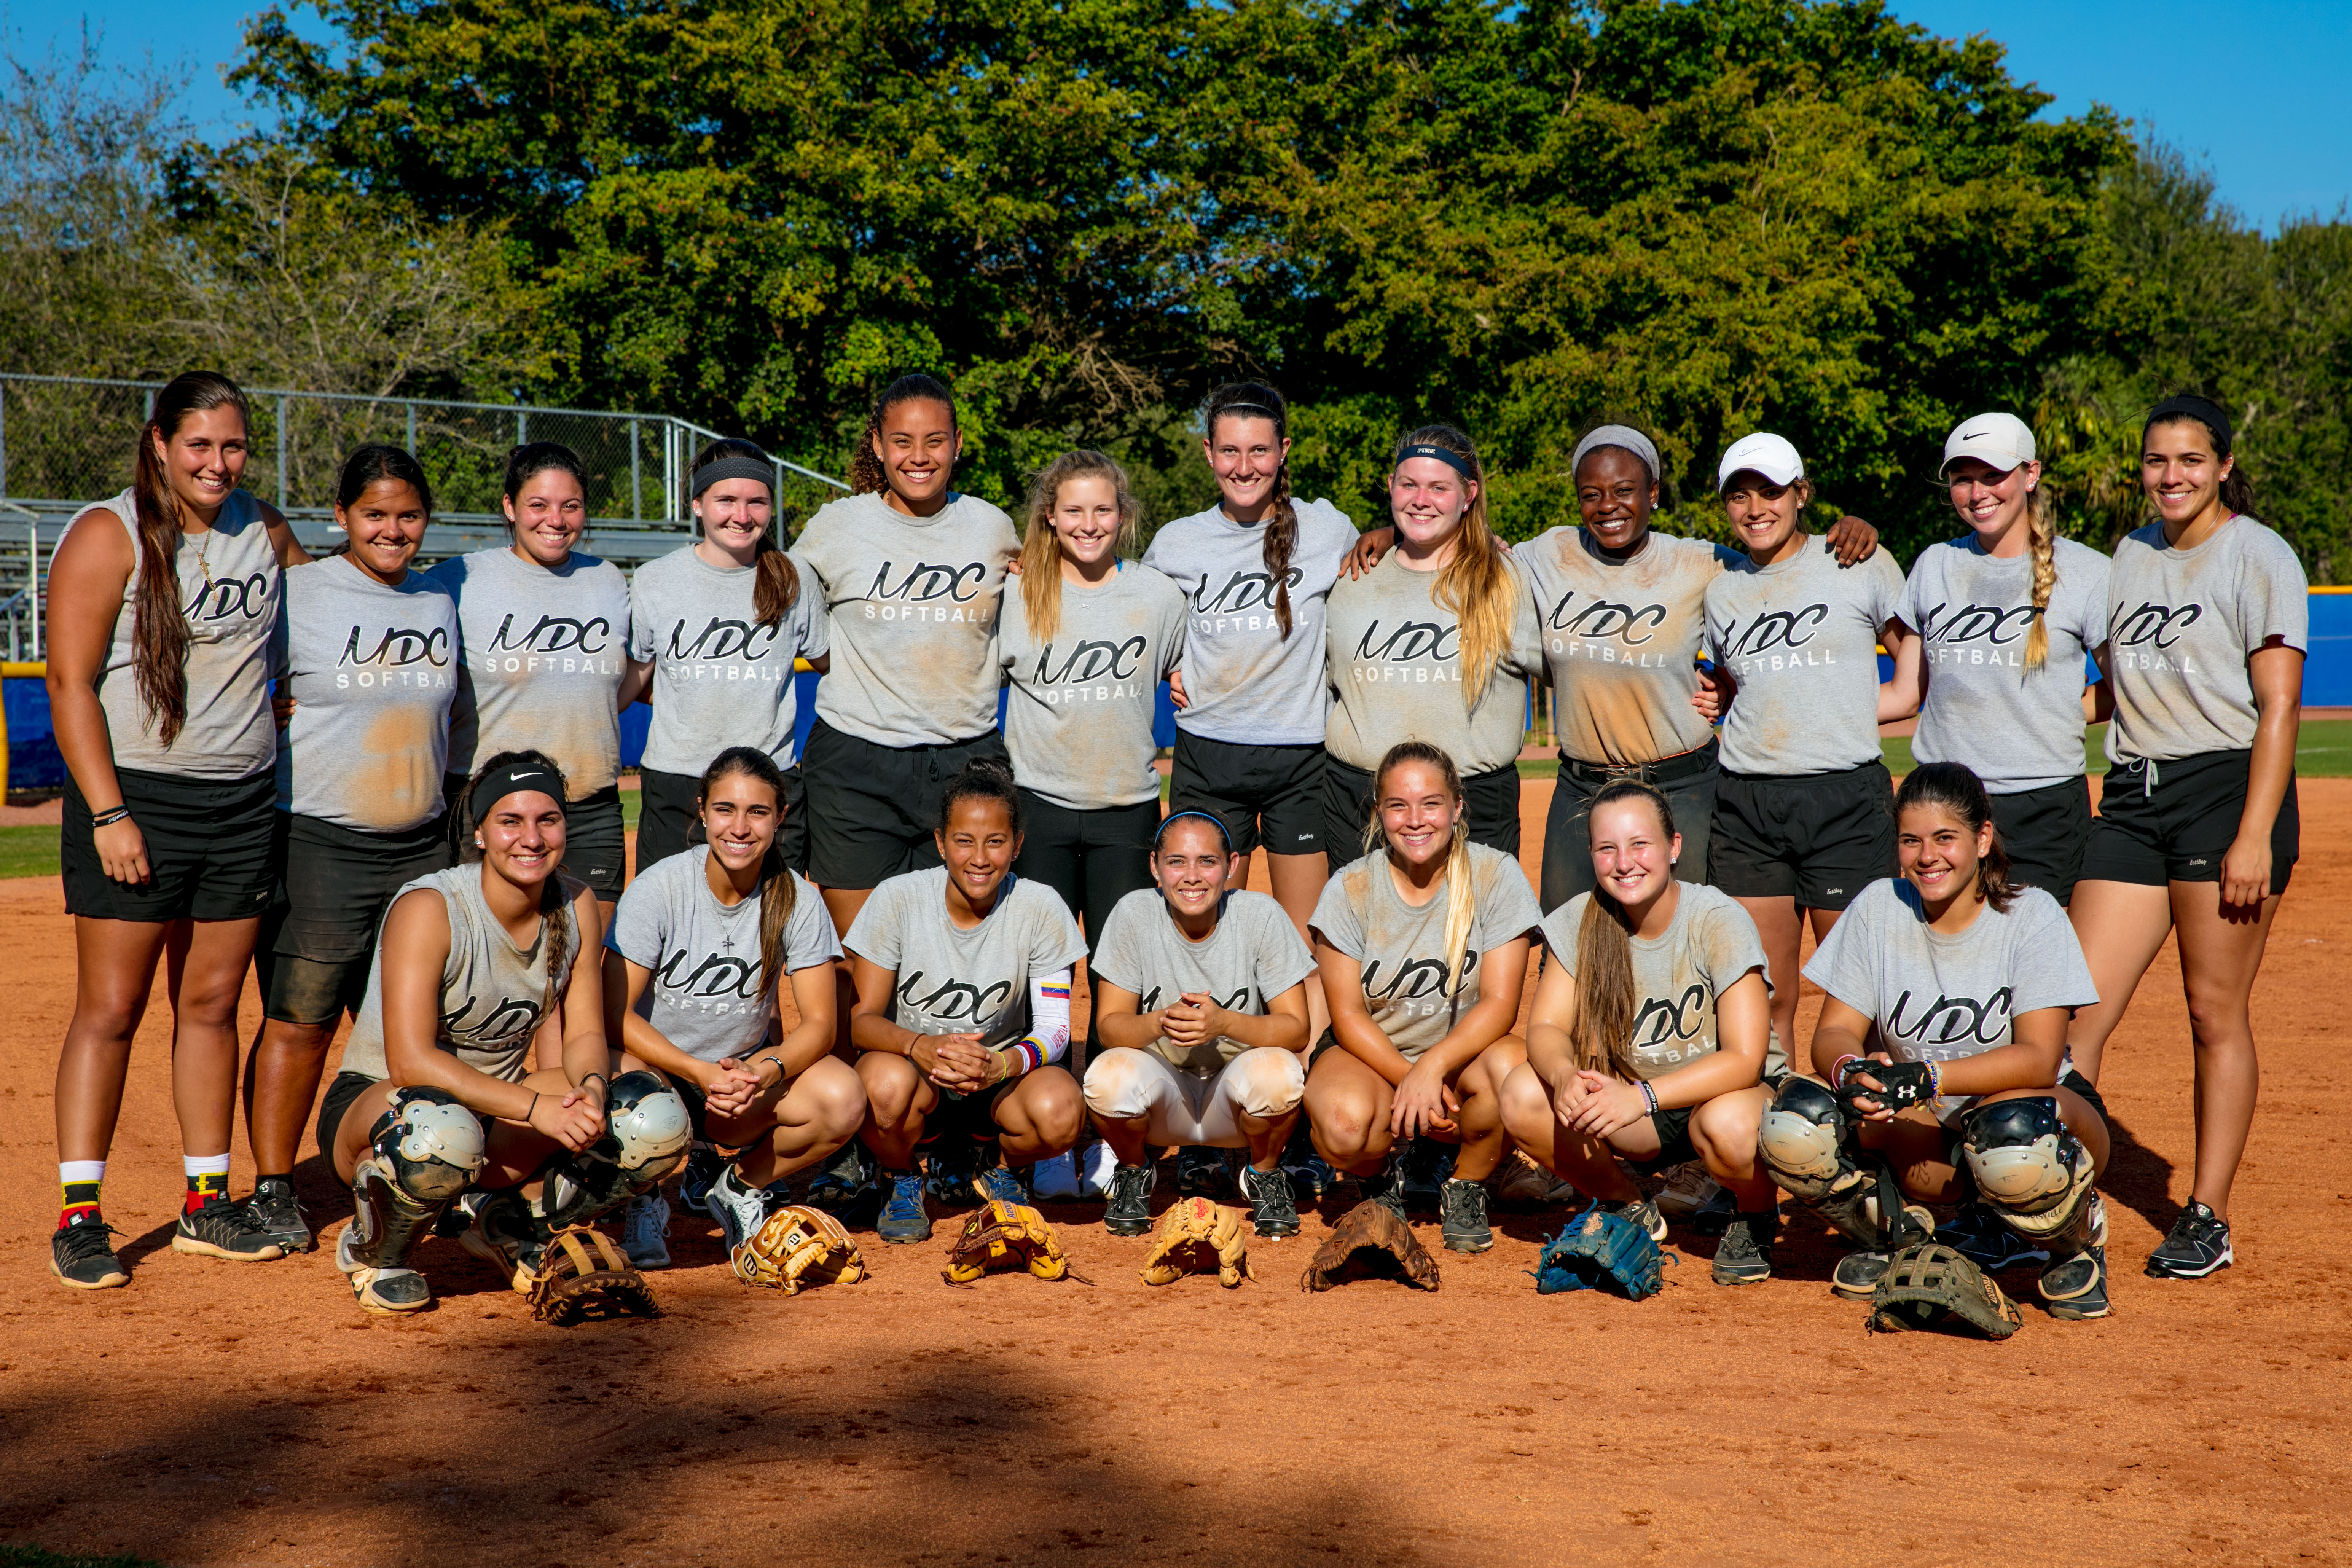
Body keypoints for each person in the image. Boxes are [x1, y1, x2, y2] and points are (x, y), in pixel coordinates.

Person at [46, 370, 310, 1290]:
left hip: (241, 803)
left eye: (233, 446)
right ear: (159, 441)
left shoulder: (265, 530)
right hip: (138, 801)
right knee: (111, 1010)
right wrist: (110, 812)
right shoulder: (105, 532)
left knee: (209, 1005)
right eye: (199, 445)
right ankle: (81, 1215)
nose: (218, 463)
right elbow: (70, 683)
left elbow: (331, 614)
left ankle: (207, 1202)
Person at [2063, 393, 2304, 1281]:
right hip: (2132, 792)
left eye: (2189, 460)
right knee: (2069, 1014)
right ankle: (2050, 1198)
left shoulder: (2256, 555)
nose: (2171, 476)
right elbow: (2112, 692)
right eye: (2156, 461)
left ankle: (2204, 1213)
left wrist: (2251, 833)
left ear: (2222, 465)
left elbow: (2277, 705)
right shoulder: (2127, 554)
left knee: (2211, 1011)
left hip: (2222, 788)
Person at [318, 752, 690, 1313]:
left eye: (548, 820)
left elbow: (586, 1030)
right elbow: (412, 1064)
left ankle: (508, 1219)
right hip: (392, 1113)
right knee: (440, 1129)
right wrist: (539, 1109)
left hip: (498, 1117)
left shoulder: (576, 902)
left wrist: (590, 1087)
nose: (532, 838)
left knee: (649, 1114)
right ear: (481, 834)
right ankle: (377, 1253)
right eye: (511, 821)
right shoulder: (431, 906)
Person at [1758, 762, 2114, 1320]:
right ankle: (1891, 1235)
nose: (1928, 857)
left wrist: (1928, 1076)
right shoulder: (1881, 907)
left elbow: (2040, 1060)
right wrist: (1852, 1070)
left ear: (1983, 839)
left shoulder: (2031, 915)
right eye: (1911, 840)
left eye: (1946, 838)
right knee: (1797, 1119)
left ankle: (2075, 1239)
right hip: (1934, 1128)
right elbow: (1832, 1032)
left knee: (2011, 1133)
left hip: (2040, 1119)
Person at [240, 445, 457, 1255]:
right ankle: (271, 1187)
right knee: (298, 1020)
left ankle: (400, 1167)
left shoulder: (441, 598)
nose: (392, 529)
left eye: (407, 515)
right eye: (374, 514)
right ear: (341, 517)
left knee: (406, 1024)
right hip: (320, 838)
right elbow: (232, 679)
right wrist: (274, 708)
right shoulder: (298, 594)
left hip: (422, 843)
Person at [1500, 781, 1782, 1285]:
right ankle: (1628, 1202)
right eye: (1607, 848)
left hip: (1718, 1096)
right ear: (1591, 854)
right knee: (1524, 1092)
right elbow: (1544, 1026)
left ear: (1674, 847)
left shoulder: (1715, 917)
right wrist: (1564, 1076)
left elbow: (1745, 1058)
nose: (1624, 862)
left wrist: (1644, 1097)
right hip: (1634, 1111)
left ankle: (1755, 1213)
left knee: (1731, 1127)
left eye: (1640, 844)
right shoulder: (1580, 921)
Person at [1142, 382, 1358, 1026]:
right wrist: (1170, 665)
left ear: (1283, 450)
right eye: (1230, 451)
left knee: (1303, 941)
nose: (1245, 466)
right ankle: (1200, 1077)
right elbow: (1134, 617)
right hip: (1210, 758)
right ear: (1208, 454)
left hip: (1301, 759)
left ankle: (1306, 1083)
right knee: (1203, 926)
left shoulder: (1327, 529)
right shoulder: (1178, 542)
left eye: (1260, 451)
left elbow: (1393, 550)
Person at [603, 747, 863, 1265]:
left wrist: (764, 1072)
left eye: (758, 812)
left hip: (738, 1087)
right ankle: (646, 1201)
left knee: (843, 1097)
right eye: (725, 809)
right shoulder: (660, 888)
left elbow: (820, 1025)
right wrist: (696, 1072)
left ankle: (739, 1187)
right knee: (611, 1087)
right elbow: (615, 1016)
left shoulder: (796, 898)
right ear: (702, 810)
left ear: (781, 818)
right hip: (663, 1074)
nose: (740, 828)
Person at [792, 374, 1020, 945]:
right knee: (864, 953)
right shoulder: (836, 527)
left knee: (967, 945)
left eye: (936, 441)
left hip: (970, 758)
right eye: (902, 441)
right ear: (877, 444)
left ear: (959, 443)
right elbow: (777, 603)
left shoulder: (992, 527)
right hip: (856, 763)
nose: (919, 457)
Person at [1702, 432, 1907, 1060]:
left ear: (1802, 495)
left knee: (1862, 995)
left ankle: (1876, 1137)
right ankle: (1782, 1137)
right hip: (1746, 804)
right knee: (1764, 997)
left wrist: (1845, 715)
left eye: (1770, 491)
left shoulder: (1858, 561)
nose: (1755, 507)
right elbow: (1743, 691)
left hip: (1844, 800)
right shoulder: (1722, 589)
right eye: (1739, 495)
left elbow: (1916, 668)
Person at [1304, 741, 1543, 1254]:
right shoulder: (1351, 887)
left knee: (1513, 1076)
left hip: (1460, 1060)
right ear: (1379, 813)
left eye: (1431, 804)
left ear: (1457, 808)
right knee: (1344, 1128)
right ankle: (1381, 1176)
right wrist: (1410, 1080)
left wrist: (1431, 1072)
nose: (1416, 820)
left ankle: (1465, 1185)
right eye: (1398, 806)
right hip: (1370, 1056)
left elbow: (1501, 1004)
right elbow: (1346, 1015)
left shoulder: (1495, 875)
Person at [842, 760, 1090, 1243]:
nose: (980, 858)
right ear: (940, 843)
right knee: (880, 1087)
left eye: (996, 841)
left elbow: (1057, 1030)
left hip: (998, 1084)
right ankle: (902, 1176)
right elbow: (862, 1022)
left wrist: (1001, 1064)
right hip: (918, 1077)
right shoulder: (899, 898)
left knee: (1060, 1109)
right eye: (964, 841)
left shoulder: (1040, 907)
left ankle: (998, 1168)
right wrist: (920, 1046)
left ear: (1017, 845)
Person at [1882, 413, 2111, 903]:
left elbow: (2127, 690)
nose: (1978, 492)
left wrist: (2057, 714)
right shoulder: (1935, 564)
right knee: (1943, 963)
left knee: (2031, 967)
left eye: (1993, 475)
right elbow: (1906, 691)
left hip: (2041, 807)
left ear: (2031, 474)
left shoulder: (2089, 572)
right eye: (1963, 479)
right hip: (1941, 805)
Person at [432, 443, 642, 921]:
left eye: (571, 506)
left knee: (585, 965)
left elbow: (624, 676)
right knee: (491, 966)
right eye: (538, 505)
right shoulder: (458, 579)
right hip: (490, 807)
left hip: (589, 808)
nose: (557, 519)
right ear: (510, 507)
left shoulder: (607, 580)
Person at [1083, 811, 1317, 1238]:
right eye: (1177, 862)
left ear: (1232, 866)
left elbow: (1297, 1028)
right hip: (1163, 1098)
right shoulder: (1134, 913)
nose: (1192, 876)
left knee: (1280, 1074)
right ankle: (1136, 1170)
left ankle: (1263, 1173)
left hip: (1235, 1101)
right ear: (1155, 867)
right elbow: (1110, 1028)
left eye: (1208, 861)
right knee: (1107, 1075)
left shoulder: (1259, 914)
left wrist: (1223, 1022)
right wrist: (1160, 1020)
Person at [1323, 425, 1541, 860]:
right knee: (1365, 929)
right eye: (1409, 485)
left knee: (1476, 929)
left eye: (1439, 488)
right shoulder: (1351, 575)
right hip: (1358, 799)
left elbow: (1569, 667)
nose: (1420, 500)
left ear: (1469, 494)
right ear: (1391, 487)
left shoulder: (1507, 580)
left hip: (1475, 803)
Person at [627, 437, 830, 874]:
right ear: (698, 503)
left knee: (772, 929)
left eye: (757, 501)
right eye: (726, 500)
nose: (742, 515)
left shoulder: (795, 579)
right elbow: (631, 683)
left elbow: (839, 669)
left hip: (769, 784)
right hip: (677, 784)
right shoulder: (654, 580)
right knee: (670, 923)